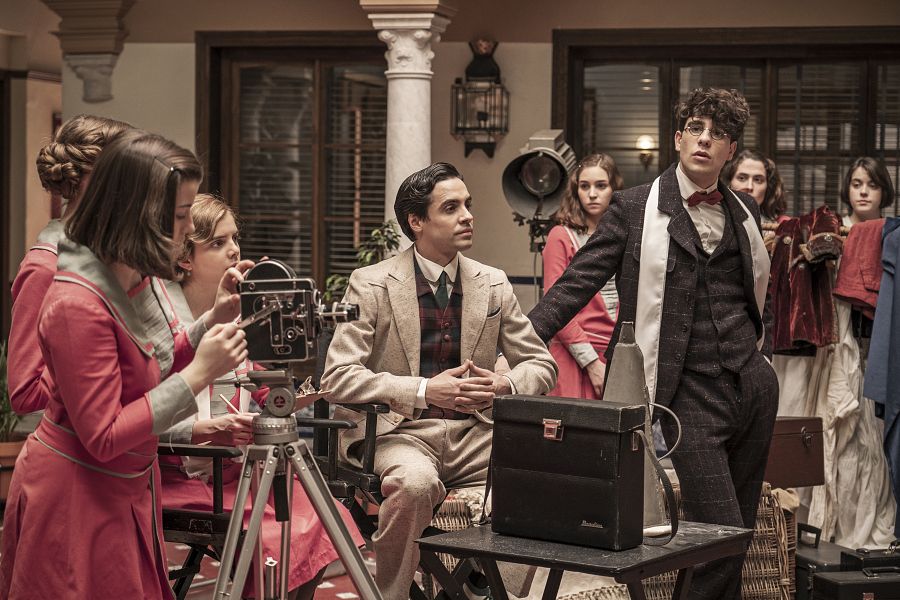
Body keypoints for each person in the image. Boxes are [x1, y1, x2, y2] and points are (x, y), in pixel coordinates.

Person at [528, 88, 777, 600]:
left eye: (718, 134)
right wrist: (515, 345)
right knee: (719, 536)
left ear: (731, 150)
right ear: (678, 137)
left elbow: (758, 293)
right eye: (696, 129)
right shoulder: (634, 207)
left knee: (740, 535)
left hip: (752, 387)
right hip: (687, 393)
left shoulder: (745, 210)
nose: (705, 140)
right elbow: (574, 285)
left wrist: (763, 362)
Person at [0, 131, 249, 599]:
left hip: (127, 485)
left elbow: (154, 358)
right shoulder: (76, 300)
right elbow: (103, 435)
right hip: (77, 494)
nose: (186, 230)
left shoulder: (135, 276)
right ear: (137, 210)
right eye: (180, 215)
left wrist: (211, 320)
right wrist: (200, 373)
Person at [322, 162, 557, 600]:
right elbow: (337, 377)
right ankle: (391, 595)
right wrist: (425, 389)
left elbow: (540, 364)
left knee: (547, 473)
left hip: (476, 435)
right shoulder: (371, 285)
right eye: (451, 208)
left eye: (468, 205)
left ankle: (486, 586)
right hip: (398, 434)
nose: (468, 216)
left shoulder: (493, 283)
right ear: (416, 221)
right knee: (414, 485)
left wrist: (503, 385)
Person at [156, 194, 364, 600]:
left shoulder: (240, 315)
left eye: (235, 238)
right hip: (180, 473)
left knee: (326, 518)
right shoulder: (161, 322)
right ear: (184, 257)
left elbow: (252, 380)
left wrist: (288, 398)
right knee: (272, 536)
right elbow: (143, 411)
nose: (234, 250)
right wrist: (207, 430)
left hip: (236, 466)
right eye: (218, 242)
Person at [8, 114, 132, 415]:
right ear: (92, 180)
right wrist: (99, 351)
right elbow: (25, 394)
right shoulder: (45, 267)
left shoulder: (117, 261)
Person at [542, 153, 622, 399]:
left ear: (614, 188)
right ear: (576, 191)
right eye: (585, 186)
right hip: (574, 353)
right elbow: (554, 306)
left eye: (601, 185)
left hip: (617, 353)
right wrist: (591, 363)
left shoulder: (626, 235)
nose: (592, 194)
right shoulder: (561, 236)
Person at [721, 148, 789, 226]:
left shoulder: (783, 226)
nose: (749, 187)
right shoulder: (714, 222)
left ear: (768, 188)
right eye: (742, 178)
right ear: (729, 183)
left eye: (757, 180)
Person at [840, 156, 895, 226]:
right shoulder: (834, 230)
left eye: (872, 185)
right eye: (856, 185)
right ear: (847, 189)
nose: (863, 192)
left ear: (883, 191)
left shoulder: (892, 231)